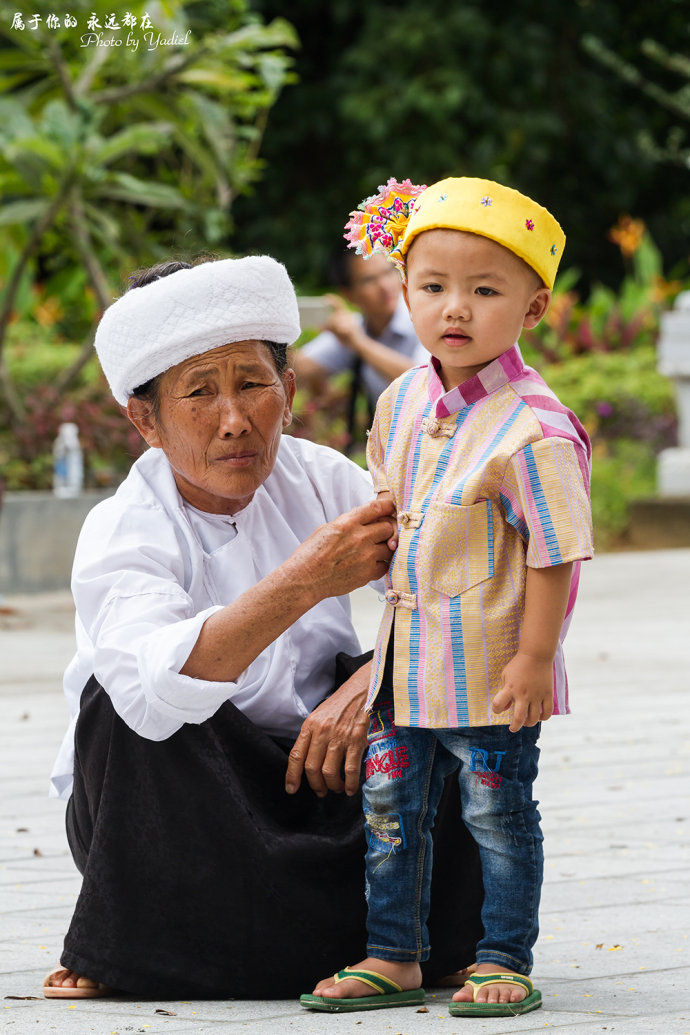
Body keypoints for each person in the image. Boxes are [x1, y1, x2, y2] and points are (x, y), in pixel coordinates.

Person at [43, 254, 484, 1000]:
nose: (235, 419)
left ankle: (410, 939)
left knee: (446, 684)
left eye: (253, 383)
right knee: (124, 704)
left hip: (327, 774)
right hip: (188, 806)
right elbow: (153, 694)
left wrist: (366, 686)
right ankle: (130, 942)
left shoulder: (330, 479)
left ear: (288, 390)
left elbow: (463, 593)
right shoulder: (123, 527)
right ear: (144, 419)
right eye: (198, 394)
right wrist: (306, 579)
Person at [302, 178, 593, 1016]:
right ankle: (393, 953)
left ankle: (502, 955)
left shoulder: (532, 427)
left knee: (498, 816)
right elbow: (392, 509)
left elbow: (555, 551)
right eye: (432, 286)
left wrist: (536, 657)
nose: (454, 308)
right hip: (405, 668)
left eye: (484, 290)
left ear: (533, 308)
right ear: (403, 290)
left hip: (492, 669)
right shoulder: (399, 402)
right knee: (389, 805)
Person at [292, 247, 427, 410]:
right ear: (348, 294)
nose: (384, 286)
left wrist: (360, 343)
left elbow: (425, 383)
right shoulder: (353, 330)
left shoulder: (425, 318)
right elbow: (298, 369)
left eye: (388, 272)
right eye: (369, 280)